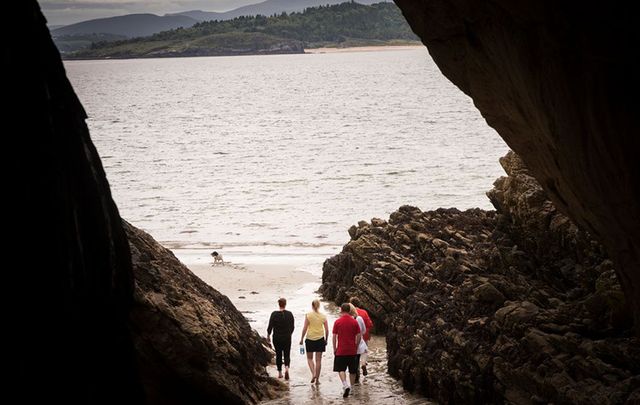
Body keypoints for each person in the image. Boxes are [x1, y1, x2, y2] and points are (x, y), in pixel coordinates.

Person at [332, 303, 361, 398]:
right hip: (352, 350)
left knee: (341, 369)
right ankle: (351, 388)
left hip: (341, 350)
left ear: (341, 310)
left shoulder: (337, 322)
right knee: (352, 371)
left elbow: (334, 336)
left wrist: (334, 348)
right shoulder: (354, 322)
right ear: (349, 310)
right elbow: (359, 335)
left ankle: (345, 384)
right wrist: (356, 346)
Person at [298, 299, 329, 384]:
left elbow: (305, 328)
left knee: (309, 358)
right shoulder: (323, 316)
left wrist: (301, 338)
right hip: (320, 339)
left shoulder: (308, 315)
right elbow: (327, 330)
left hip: (310, 339)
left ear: (312, 306)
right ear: (319, 306)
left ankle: (313, 373)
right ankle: (317, 380)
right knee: (318, 360)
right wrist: (326, 339)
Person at [267, 297, 295, 379]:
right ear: (285, 304)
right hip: (287, 337)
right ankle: (286, 368)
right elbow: (292, 326)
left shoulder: (274, 314)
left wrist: (268, 335)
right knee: (287, 354)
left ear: (279, 304)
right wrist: (289, 334)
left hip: (277, 338)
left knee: (278, 354)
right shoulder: (289, 314)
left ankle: (279, 373)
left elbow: (270, 326)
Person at [350, 297, 373, 377]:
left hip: (353, 335)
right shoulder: (364, 312)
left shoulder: (350, 314)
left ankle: (357, 371)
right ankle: (363, 363)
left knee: (356, 353)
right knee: (364, 350)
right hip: (364, 334)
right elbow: (369, 324)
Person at [349, 303, 368, 384]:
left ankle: (356, 377)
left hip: (352, 343)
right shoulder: (359, 318)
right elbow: (363, 330)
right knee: (364, 352)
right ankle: (363, 364)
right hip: (360, 342)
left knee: (355, 360)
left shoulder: (348, 319)